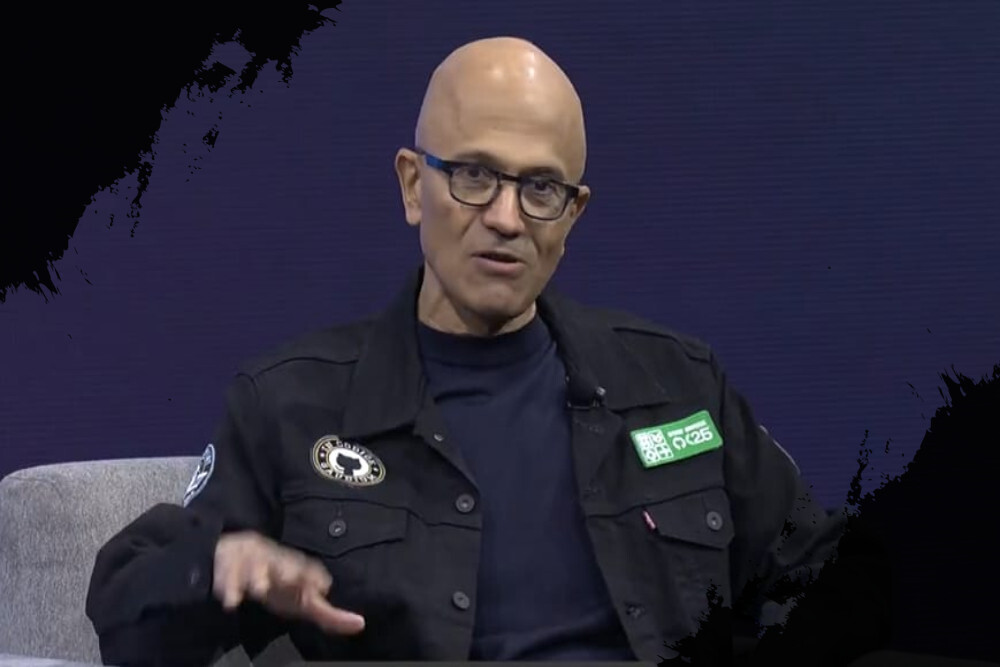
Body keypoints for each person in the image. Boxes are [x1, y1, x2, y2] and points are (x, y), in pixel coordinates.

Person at [86, 36, 846, 665]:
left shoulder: (677, 383)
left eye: (541, 187)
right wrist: (216, 568)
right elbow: (127, 621)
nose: (507, 218)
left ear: (573, 214)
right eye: (475, 175)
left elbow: (829, 577)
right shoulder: (290, 405)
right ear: (412, 185)